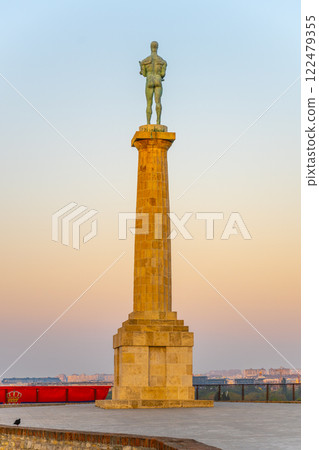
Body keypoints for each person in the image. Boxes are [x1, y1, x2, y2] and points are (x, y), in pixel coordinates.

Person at [139, 41, 167, 124]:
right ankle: (158, 122)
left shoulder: (144, 61)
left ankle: (148, 123)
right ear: (157, 47)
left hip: (149, 80)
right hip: (158, 80)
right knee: (158, 102)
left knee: (149, 103)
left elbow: (144, 74)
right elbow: (162, 74)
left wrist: (142, 71)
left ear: (150, 47)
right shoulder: (163, 61)